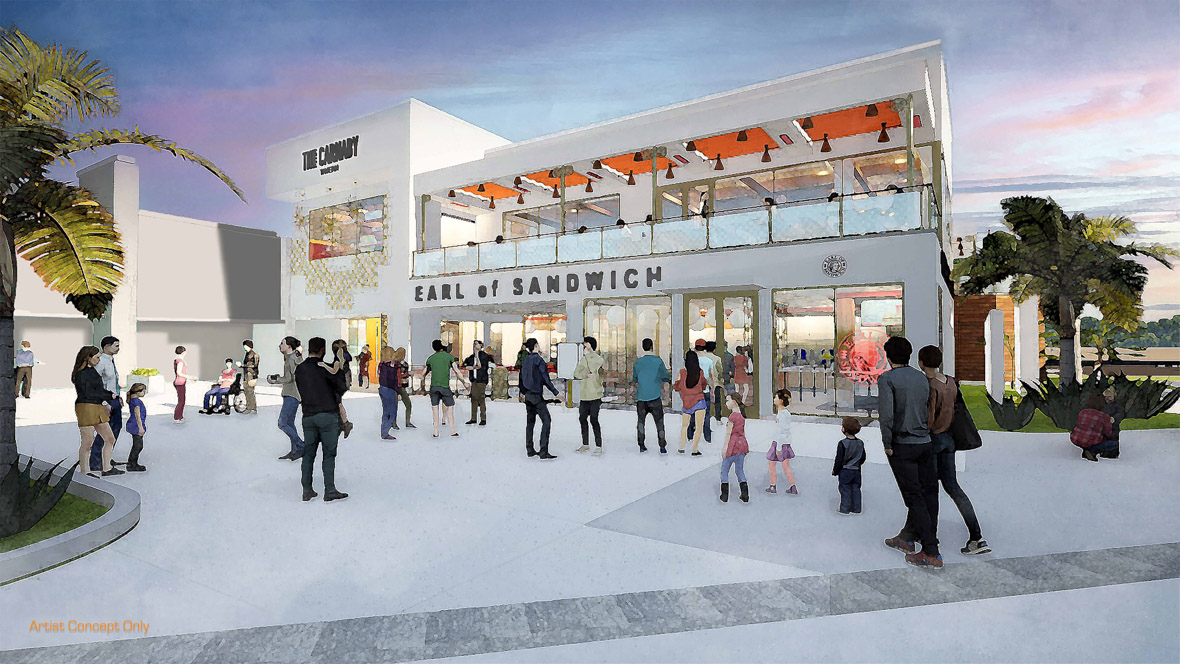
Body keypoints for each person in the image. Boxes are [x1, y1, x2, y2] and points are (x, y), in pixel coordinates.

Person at [919, 345, 990, 555]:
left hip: (933, 440)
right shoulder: (951, 382)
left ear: (921, 362)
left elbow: (929, 418)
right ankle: (976, 536)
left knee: (929, 491)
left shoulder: (929, 385)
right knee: (954, 488)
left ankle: (929, 541)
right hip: (950, 440)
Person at [878, 336, 941, 570]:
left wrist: (887, 443)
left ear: (888, 356)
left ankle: (931, 550)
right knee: (926, 494)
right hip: (924, 442)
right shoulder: (922, 378)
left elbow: (887, 415)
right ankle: (906, 537)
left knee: (914, 498)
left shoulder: (887, 379)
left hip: (902, 444)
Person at [295, 337, 348, 502]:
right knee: (329, 454)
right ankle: (329, 490)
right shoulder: (324, 368)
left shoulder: (300, 369)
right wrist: (338, 367)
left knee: (309, 454)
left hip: (308, 416)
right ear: (323, 350)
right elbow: (341, 386)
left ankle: (307, 490)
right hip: (327, 415)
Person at [73, 346, 120, 477]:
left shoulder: (92, 371)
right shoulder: (81, 374)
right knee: (87, 442)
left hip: (97, 406)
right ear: (88, 358)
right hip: (86, 406)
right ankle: (84, 472)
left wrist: (108, 397)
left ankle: (107, 467)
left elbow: (97, 390)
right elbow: (89, 392)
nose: (99, 360)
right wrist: (108, 396)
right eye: (97, 357)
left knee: (110, 438)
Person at [520, 337, 560, 459]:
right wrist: (556, 393)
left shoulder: (526, 360)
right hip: (536, 395)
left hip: (528, 395)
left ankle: (530, 449)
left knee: (530, 423)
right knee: (546, 421)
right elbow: (545, 379)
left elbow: (521, 377)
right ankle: (543, 450)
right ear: (536, 346)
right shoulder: (539, 361)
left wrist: (522, 392)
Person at [89, 336, 125, 471]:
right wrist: (103, 402)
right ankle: (96, 461)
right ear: (106, 347)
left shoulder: (111, 361)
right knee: (105, 431)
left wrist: (118, 396)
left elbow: (111, 382)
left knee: (116, 427)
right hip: (105, 401)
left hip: (114, 399)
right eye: (116, 345)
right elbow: (95, 384)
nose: (118, 348)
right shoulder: (101, 362)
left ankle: (107, 457)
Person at [268, 337, 304, 461]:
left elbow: (290, 378)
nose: (280, 345)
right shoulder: (292, 357)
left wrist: (275, 380)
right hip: (292, 393)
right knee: (289, 423)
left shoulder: (291, 359)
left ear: (289, 346)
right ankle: (296, 451)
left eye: (282, 343)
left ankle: (301, 445)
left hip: (292, 395)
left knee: (282, 423)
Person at [633, 338, 671, 453]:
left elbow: (635, 379)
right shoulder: (658, 361)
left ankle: (641, 444)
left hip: (641, 397)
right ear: (652, 347)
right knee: (659, 422)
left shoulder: (638, 362)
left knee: (641, 422)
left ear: (643, 347)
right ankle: (662, 445)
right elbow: (665, 377)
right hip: (654, 396)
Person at [424, 339, 468, 438]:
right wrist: (464, 382)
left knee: (435, 408)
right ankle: (452, 431)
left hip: (433, 387)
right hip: (444, 387)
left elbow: (424, 373)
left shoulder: (431, 359)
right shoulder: (449, 357)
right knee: (450, 407)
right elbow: (456, 371)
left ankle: (436, 432)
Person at [316, 340, 355, 438]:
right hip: (342, 384)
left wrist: (323, 365)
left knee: (338, 404)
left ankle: (345, 423)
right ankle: (342, 424)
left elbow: (334, 371)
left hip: (337, 385)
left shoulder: (338, 359)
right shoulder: (346, 357)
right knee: (337, 403)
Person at [573, 336, 605, 455]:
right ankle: (585, 444)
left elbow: (600, 374)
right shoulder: (583, 359)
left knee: (594, 419)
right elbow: (576, 373)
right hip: (584, 395)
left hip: (595, 394)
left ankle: (598, 445)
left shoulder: (599, 359)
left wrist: (593, 375)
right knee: (582, 418)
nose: (584, 347)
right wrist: (584, 375)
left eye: (585, 344)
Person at [674, 350, 708, 456]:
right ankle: (694, 449)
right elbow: (704, 384)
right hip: (699, 401)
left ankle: (682, 447)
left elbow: (677, 386)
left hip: (687, 402)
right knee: (698, 427)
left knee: (684, 425)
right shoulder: (700, 372)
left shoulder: (682, 373)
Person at [718, 393, 751, 503]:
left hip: (732, 445)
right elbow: (743, 432)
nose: (726, 403)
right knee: (739, 470)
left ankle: (724, 495)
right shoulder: (741, 415)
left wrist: (724, 448)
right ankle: (745, 494)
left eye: (728, 401)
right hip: (741, 445)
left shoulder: (732, 417)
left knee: (724, 470)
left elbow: (728, 434)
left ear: (734, 402)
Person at [765, 389, 798, 494]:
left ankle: (773, 485)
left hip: (779, 443)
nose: (774, 399)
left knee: (772, 465)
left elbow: (781, 431)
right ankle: (792, 486)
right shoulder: (784, 413)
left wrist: (778, 447)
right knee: (785, 465)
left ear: (781, 401)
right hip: (785, 443)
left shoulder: (782, 415)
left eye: (776, 397)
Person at [832, 417, 866, 515]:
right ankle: (857, 508)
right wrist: (857, 464)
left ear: (844, 429)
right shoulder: (860, 443)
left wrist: (835, 470)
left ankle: (844, 508)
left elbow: (839, 459)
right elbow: (863, 457)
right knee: (856, 489)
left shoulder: (842, 443)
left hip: (845, 470)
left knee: (845, 489)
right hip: (856, 470)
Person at [1072, 393, 1118, 461]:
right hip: (1091, 443)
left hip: (1076, 440)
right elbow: (1108, 433)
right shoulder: (1104, 417)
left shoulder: (1082, 412)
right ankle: (1092, 450)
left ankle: (1085, 450)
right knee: (1114, 444)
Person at [686, 339, 715, 443]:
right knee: (706, 414)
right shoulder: (709, 361)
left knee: (692, 412)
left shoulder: (691, 360)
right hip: (705, 390)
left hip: (693, 391)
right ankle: (707, 436)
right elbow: (712, 377)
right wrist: (712, 390)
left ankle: (690, 435)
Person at [463, 340, 492, 425]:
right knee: (473, 398)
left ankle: (483, 418)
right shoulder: (471, 357)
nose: (474, 345)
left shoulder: (484, 356)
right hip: (474, 379)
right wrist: (471, 367)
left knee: (481, 398)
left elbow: (482, 367)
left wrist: (477, 357)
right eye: (474, 344)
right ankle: (473, 418)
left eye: (476, 344)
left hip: (481, 379)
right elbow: (465, 364)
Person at [124, 383, 149, 472]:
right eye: (143, 391)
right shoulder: (136, 402)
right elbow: (137, 415)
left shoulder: (133, 400)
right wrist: (140, 427)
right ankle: (132, 464)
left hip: (134, 424)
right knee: (138, 445)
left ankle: (132, 462)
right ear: (138, 392)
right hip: (136, 425)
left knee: (137, 445)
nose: (144, 393)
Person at [377, 346, 399, 440]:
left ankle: (384, 431)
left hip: (382, 388)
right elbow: (392, 379)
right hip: (389, 389)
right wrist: (397, 391)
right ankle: (385, 432)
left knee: (386, 411)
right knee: (392, 412)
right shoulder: (391, 365)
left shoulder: (381, 364)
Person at [173, 346, 197, 424]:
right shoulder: (180, 361)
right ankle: (177, 417)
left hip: (180, 382)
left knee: (182, 400)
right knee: (181, 401)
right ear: (183, 352)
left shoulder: (177, 360)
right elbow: (179, 373)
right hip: (180, 382)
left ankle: (180, 416)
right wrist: (190, 377)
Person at [392, 347, 415, 429]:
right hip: (398, 385)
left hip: (400, 385)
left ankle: (396, 423)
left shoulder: (399, 363)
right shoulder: (396, 364)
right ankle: (396, 423)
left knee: (402, 404)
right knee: (399, 405)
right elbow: (399, 375)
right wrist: (408, 374)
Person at [704, 341, 725, 423]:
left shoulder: (702, 358)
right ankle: (718, 418)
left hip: (704, 383)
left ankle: (706, 417)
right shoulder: (717, 358)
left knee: (705, 401)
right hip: (715, 382)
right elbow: (720, 371)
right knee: (717, 400)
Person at [237, 340, 260, 414]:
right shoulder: (247, 354)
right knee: (247, 392)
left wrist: (242, 365)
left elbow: (254, 365)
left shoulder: (255, 354)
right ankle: (249, 407)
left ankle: (252, 408)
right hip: (246, 375)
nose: (244, 347)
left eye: (245, 346)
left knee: (250, 392)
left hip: (252, 376)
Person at [1101, 387, 1125, 459]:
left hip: (1113, 426)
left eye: (1110, 396)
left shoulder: (1117, 405)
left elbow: (1120, 413)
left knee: (1113, 437)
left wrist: (1114, 418)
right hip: (1103, 426)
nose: (1107, 398)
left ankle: (1113, 452)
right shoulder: (1102, 405)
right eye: (1106, 397)